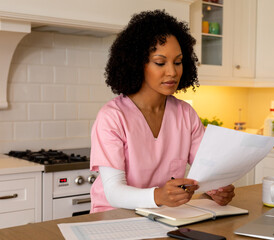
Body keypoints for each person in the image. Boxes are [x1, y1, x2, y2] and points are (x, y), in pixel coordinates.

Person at [90, 9, 235, 213]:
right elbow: (113, 193)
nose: (172, 72)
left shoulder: (185, 114)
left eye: (178, 62)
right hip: (113, 218)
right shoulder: (112, 117)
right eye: (160, 62)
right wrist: (159, 195)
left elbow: (207, 170)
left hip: (163, 216)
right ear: (137, 63)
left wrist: (218, 189)